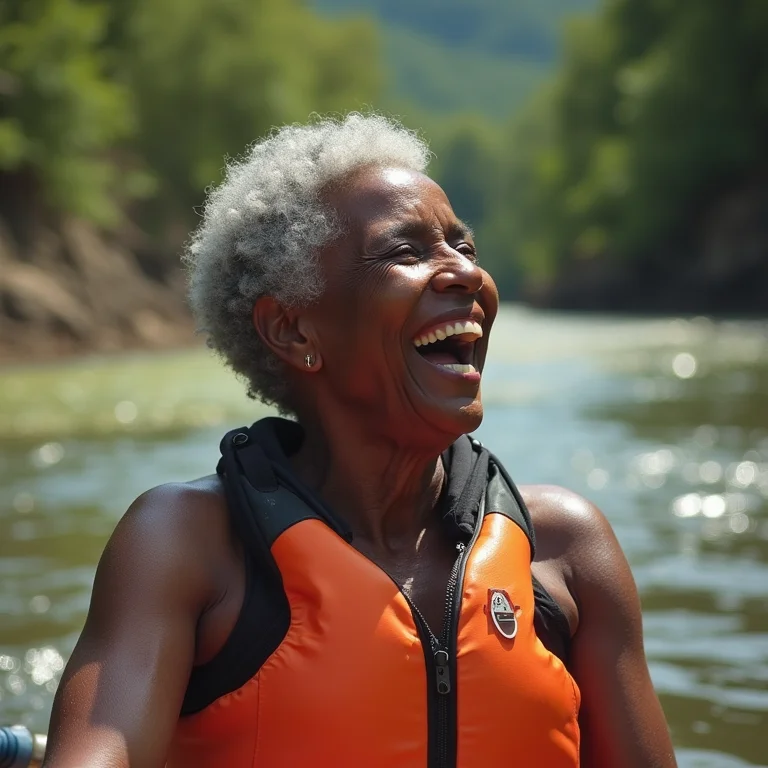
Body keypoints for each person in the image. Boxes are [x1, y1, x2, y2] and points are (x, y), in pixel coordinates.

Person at [42, 113, 676, 768]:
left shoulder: (567, 548)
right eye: (406, 253)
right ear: (293, 332)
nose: (464, 273)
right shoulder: (185, 544)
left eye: (465, 248)